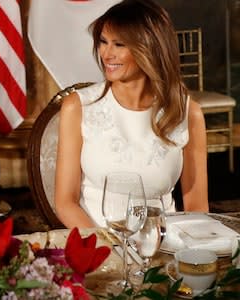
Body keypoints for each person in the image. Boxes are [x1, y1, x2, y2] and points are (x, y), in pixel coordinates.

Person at [54, 0, 209, 229]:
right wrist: (107, 251)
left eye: (119, 44)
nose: (107, 54)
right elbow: (65, 202)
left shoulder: (188, 113)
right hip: (97, 247)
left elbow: (196, 206)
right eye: (103, 42)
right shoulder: (77, 107)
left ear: (149, 49)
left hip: (162, 247)